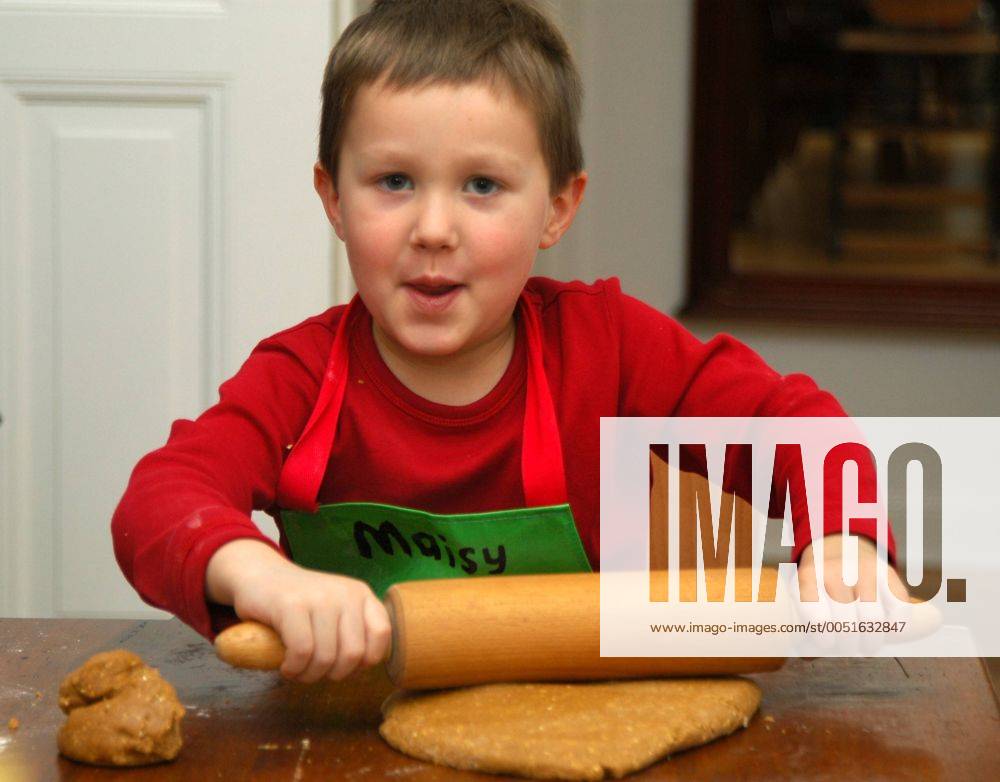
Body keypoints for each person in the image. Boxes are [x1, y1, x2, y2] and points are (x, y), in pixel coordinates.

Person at [112, 0, 904, 685]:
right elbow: (158, 501)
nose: (432, 230)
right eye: (393, 181)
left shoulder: (609, 348)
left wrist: (842, 540)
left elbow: (792, 422)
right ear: (333, 198)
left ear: (557, 208)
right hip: (340, 734)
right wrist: (260, 577)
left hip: (584, 729)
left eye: (482, 186)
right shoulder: (299, 377)